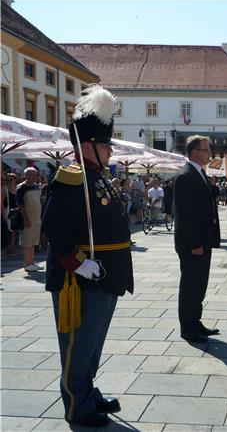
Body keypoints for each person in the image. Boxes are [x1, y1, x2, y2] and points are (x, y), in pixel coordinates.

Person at [42, 85, 133, 427]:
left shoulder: (99, 178)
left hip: (106, 277)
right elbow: (54, 226)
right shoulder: (71, 178)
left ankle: (87, 391)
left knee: (92, 345)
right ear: (87, 145)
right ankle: (76, 405)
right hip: (80, 280)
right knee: (77, 347)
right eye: (106, 144)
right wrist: (79, 264)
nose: (111, 149)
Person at [173, 135, 221, 343]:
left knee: (200, 284)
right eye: (206, 150)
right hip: (193, 243)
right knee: (190, 286)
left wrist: (211, 188)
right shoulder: (185, 176)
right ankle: (187, 327)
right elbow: (185, 214)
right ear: (194, 153)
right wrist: (194, 244)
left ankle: (195, 321)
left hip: (203, 240)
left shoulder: (199, 173)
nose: (209, 154)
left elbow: (202, 202)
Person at [17, 167, 42, 272]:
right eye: (30, 174)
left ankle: (31, 262)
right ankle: (26, 264)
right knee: (27, 242)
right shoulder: (21, 188)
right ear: (25, 176)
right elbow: (20, 205)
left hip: (37, 218)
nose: (32, 177)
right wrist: (25, 219)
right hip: (28, 218)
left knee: (33, 243)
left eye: (34, 174)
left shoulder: (37, 187)